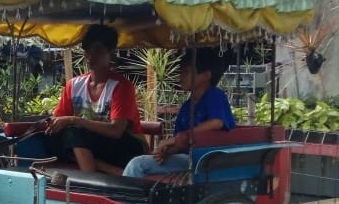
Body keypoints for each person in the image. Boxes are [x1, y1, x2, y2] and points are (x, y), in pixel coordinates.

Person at [46, 24, 145, 174]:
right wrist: (52, 124)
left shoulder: (121, 86)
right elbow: (60, 121)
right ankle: (106, 168)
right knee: (53, 139)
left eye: (98, 50)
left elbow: (116, 131)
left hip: (125, 147)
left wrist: (74, 120)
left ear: (110, 53)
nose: (91, 55)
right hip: (89, 146)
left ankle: (91, 180)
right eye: (88, 50)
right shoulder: (73, 85)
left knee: (74, 132)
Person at [123, 48, 235, 179]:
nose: (180, 76)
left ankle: (124, 198)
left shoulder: (214, 95)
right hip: (188, 158)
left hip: (207, 159)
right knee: (142, 164)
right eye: (181, 71)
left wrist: (173, 140)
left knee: (138, 165)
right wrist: (167, 151)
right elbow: (181, 143)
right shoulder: (187, 106)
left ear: (206, 75)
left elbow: (217, 122)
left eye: (186, 72)